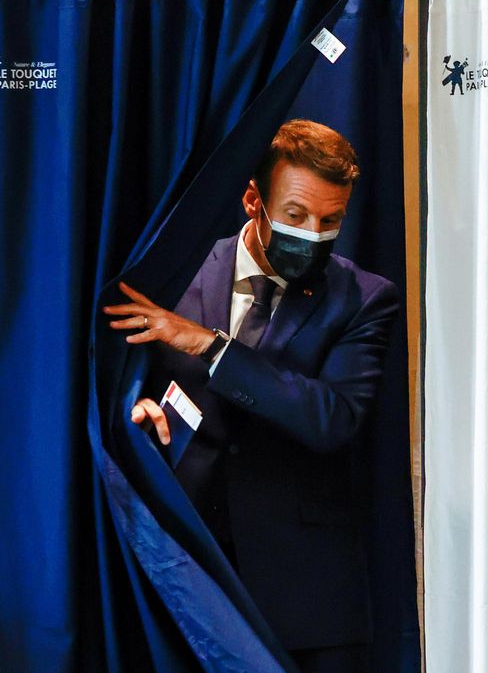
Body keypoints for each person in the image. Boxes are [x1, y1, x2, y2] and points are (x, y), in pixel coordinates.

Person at [103, 119, 400, 672]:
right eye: (295, 215)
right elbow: (124, 383)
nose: (312, 233)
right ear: (251, 200)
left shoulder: (365, 299)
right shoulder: (176, 271)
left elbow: (332, 418)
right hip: (186, 572)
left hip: (305, 598)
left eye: (330, 220)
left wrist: (210, 346)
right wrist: (134, 412)